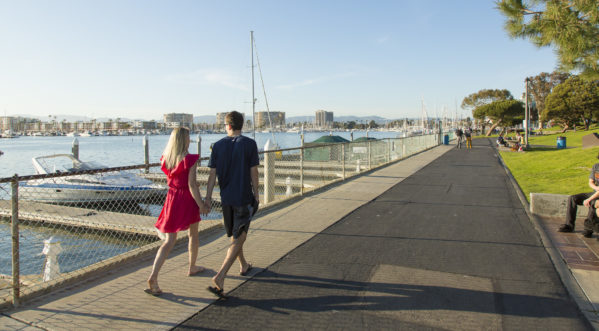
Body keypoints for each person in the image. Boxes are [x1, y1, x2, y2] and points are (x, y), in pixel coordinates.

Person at [145, 127, 207, 296]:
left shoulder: (166, 159)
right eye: (188, 137)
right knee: (193, 234)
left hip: (172, 198)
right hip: (187, 199)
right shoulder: (190, 159)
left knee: (169, 240)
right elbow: (192, 185)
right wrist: (201, 204)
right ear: (183, 140)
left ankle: (154, 275)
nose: (190, 140)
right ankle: (192, 266)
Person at [204, 111, 260, 298]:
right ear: (241, 125)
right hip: (243, 196)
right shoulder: (250, 144)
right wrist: (257, 195)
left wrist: (208, 197)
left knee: (235, 235)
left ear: (227, 125)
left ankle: (243, 265)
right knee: (240, 236)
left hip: (226, 198)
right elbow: (254, 172)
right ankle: (220, 276)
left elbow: (212, 175)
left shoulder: (217, 146)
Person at [558, 151, 599, 238]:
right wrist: (595, 188)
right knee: (573, 198)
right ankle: (569, 225)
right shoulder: (596, 166)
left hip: (597, 196)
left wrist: (589, 199)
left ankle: (588, 229)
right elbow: (591, 182)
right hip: (595, 192)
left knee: (593, 202)